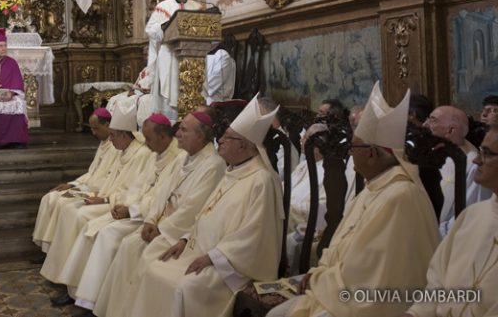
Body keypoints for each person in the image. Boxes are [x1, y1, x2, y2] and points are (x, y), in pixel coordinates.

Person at [266, 82, 440, 317]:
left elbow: (369, 275)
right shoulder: (374, 187)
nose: (349, 151)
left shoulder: (399, 196)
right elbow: (342, 242)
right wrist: (320, 271)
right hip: (338, 286)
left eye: (353, 146)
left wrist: (321, 279)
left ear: (371, 153)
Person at [125, 94, 284, 317]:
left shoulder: (261, 180)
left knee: (184, 287)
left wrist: (213, 257)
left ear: (243, 146)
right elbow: (204, 214)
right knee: (153, 269)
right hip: (199, 250)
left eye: (227, 138)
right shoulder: (233, 170)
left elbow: (254, 235)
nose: (220, 141)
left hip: (231, 266)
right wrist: (184, 239)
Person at [76, 110, 226, 315]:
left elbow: (193, 208)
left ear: (200, 136)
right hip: (156, 224)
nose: (178, 134)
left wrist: (160, 228)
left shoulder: (213, 164)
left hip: (176, 232)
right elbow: (162, 193)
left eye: (183, 130)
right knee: (128, 245)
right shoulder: (184, 157)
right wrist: (151, 220)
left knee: (135, 250)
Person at [48, 112, 184, 308]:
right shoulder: (157, 152)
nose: (145, 143)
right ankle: (78, 292)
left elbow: (160, 197)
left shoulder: (174, 158)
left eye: (148, 138)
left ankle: (91, 299)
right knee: (94, 229)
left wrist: (130, 209)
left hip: (150, 218)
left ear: (163, 137)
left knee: (104, 234)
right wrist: (125, 205)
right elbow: (139, 185)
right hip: (135, 210)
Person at [39, 101, 152, 292]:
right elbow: (98, 174)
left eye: (114, 135)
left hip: (120, 204)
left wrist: (106, 199)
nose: (111, 139)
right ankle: (62, 268)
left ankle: (74, 282)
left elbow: (134, 190)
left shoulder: (140, 154)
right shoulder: (123, 149)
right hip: (109, 198)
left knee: (79, 215)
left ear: (124, 134)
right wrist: (79, 187)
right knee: (70, 209)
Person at [402, 127, 498, 317]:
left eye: (487, 154)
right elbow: (436, 280)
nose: (477, 160)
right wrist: (415, 314)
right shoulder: (471, 216)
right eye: (480, 151)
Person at [33, 108, 116, 254]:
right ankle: (47, 250)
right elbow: (93, 172)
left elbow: (107, 179)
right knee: (49, 198)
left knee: (63, 204)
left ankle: (58, 252)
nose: (93, 133)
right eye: (91, 129)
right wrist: (73, 184)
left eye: (96, 129)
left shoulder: (116, 147)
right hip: (88, 186)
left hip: (98, 191)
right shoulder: (105, 143)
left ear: (108, 125)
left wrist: (82, 189)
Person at [424, 105, 492, 235]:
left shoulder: (471, 163)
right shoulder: (430, 157)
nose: (425, 125)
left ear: (450, 130)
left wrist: (429, 234)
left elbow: (467, 215)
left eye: (433, 120)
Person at [145, 0, 202, 120]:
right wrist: (164, 27)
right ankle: (170, 123)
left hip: (191, 56)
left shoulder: (196, 7)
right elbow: (150, 30)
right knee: (170, 91)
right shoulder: (163, 7)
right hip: (169, 55)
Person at [286, 123, 328, 274]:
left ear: (319, 144)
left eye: (306, 138)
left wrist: (287, 208)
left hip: (302, 220)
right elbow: (285, 187)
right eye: (304, 137)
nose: (302, 141)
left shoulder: (329, 170)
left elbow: (323, 206)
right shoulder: (303, 165)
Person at [204, 34, 236, 104]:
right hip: (205, 99)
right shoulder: (207, 55)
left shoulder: (223, 55)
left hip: (215, 102)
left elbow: (212, 85)